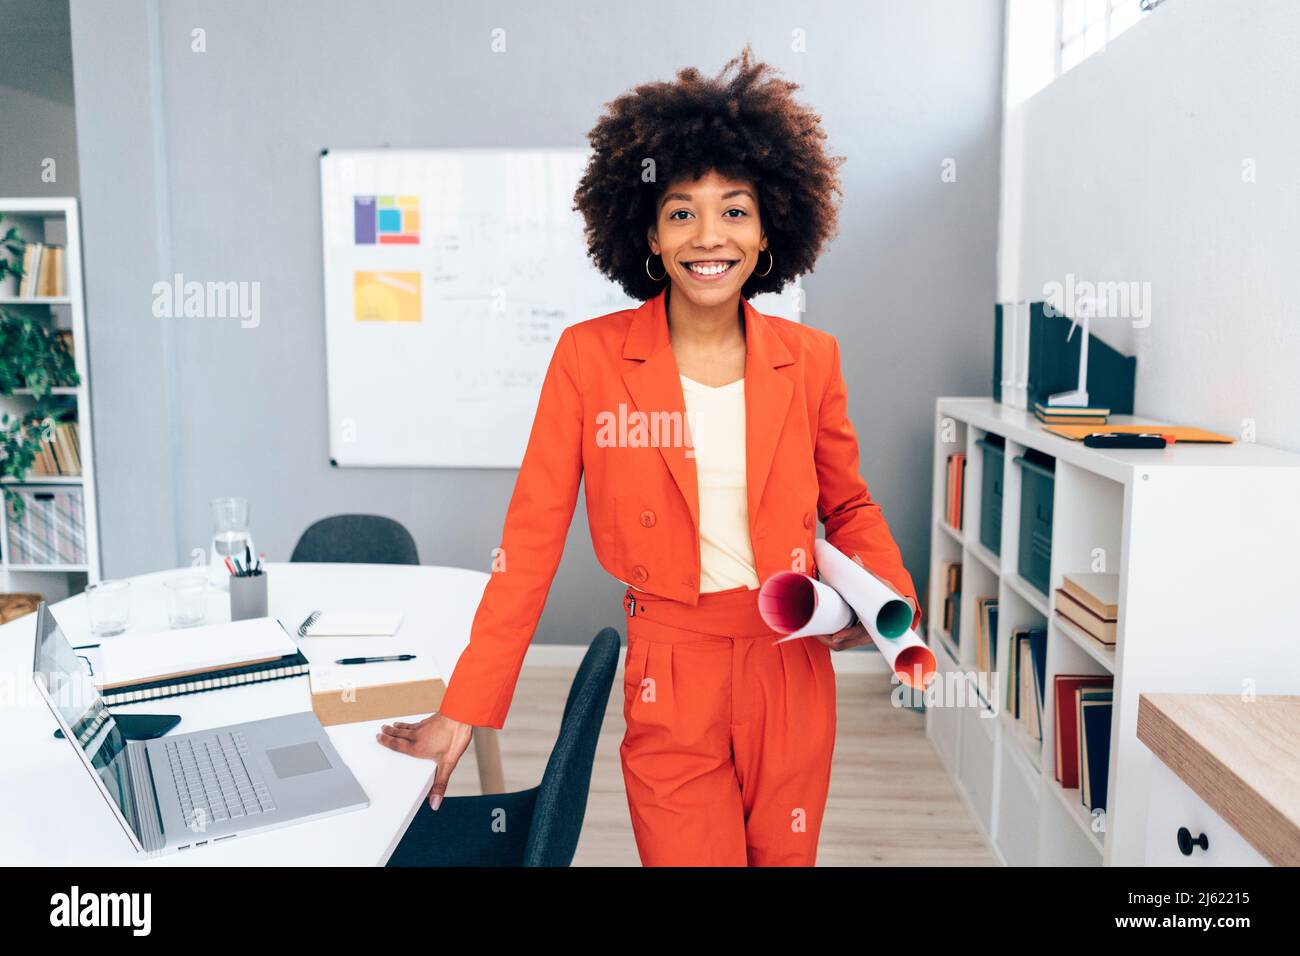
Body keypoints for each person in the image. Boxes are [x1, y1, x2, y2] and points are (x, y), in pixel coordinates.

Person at [376, 46, 919, 866]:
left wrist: (889, 601)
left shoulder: (811, 359)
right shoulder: (588, 359)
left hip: (793, 669)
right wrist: (468, 706)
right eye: (681, 213)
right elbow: (528, 546)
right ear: (649, 236)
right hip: (672, 668)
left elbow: (848, 506)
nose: (710, 237)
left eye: (735, 211)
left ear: (771, 227)